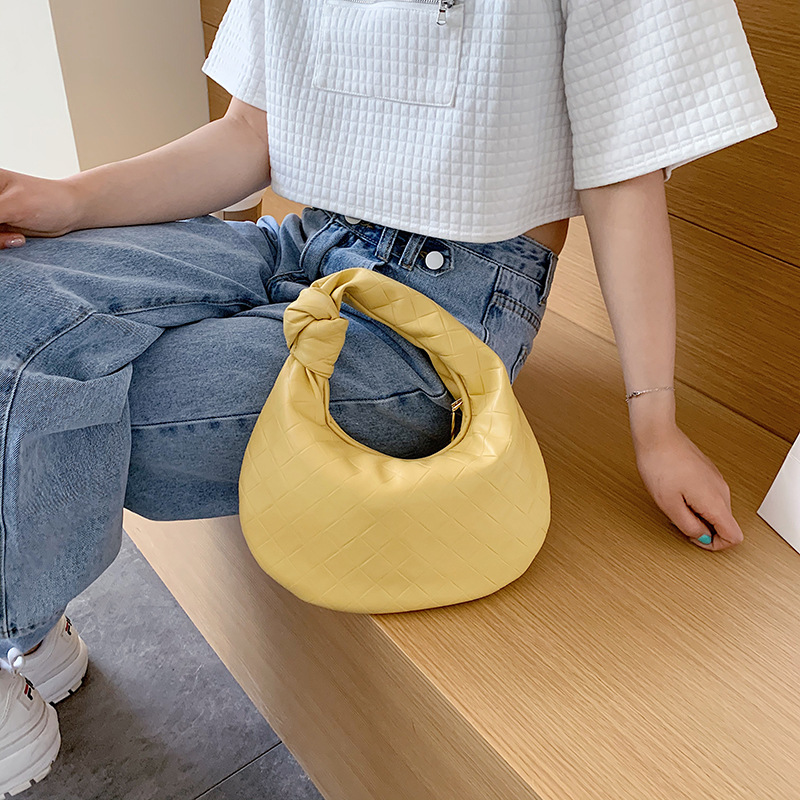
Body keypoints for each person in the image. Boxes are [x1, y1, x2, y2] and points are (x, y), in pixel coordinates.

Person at [0, 0, 778, 793]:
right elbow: (250, 134)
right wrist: (65, 200)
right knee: (11, 302)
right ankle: (21, 610)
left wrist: (656, 424)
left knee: (81, 398)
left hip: (440, 311)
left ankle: (15, 609)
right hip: (304, 242)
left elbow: (622, 172)